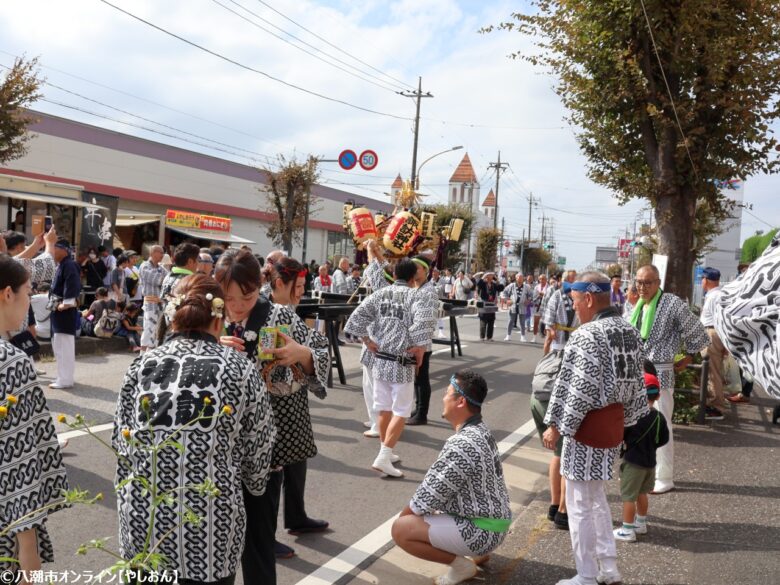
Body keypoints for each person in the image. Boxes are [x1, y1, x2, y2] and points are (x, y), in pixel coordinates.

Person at [113, 274, 275, 585]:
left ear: (172, 319)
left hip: (143, 518)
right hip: (208, 527)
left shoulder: (141, 366)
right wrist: (251, 486)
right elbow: (260, 446)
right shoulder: (239, 369)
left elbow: (122, 444)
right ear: (219, 321)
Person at [215, 251, 329, 581]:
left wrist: (303, 354)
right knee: (218, 539)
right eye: (228, 298)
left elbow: (320, 350)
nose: (236, 306)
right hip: (217, 448)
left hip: (267, 447)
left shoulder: (280, 315)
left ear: (261, 285)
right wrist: (210, 345)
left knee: (259, 540)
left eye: (246, 296)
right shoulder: (210, 313)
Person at [543, 272, 649, 585]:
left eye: (576, 302)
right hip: (613, 428)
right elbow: (637, 387)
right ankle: (609, 568)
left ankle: (587, 575)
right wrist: (627, 422)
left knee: (578, 505)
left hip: (586, 430)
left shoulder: (587, 335)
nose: (575, 308)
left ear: (588, 299)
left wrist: (557, 427)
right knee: (596, 500)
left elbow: (577, 391)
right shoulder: (628, 329)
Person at [392, 370, 511, 585]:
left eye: (447, 393)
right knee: (430, 514)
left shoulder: (462, 444)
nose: (443, 398)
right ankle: (477, 553)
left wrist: (403, 519)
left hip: (483, 530)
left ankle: (462, 565)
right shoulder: (481, 430)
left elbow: (426, 497)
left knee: (402, 530)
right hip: (496, 523)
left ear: (460, 401)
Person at [0, 254, 69, 582]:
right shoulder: (11, 364)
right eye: (28, 292)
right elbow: (20, 469)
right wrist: (32, 570)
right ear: (7, 294)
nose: (29, 302)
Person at [345, 258, 437, 477]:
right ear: (414, 276)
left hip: (380, 360)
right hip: (400, 360)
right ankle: (384, 456)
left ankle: (386, 450)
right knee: (401, 410)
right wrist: (418, 349)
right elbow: (424, 325)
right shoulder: (416, 296)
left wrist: (367, 340)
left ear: (394, 275)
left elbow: (356, 317)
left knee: (384, 407)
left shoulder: (379, 294)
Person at [628, 264, 709, 494]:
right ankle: (644, 471)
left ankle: (665, 476)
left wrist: (688, 356)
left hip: (660, 372)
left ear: (658, 282)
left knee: (660, 425)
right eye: (639, 282)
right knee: (637, 425)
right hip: (638, 373)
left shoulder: (672, 303)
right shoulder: (638, 305)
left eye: (647, 282)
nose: (642, 287)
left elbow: (696, 330)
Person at [613, 368, 669, 543]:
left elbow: (621, 435)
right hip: (650, 462)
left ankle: (627, 529)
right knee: (642, 493)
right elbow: (663, 439)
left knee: (628, 496)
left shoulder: (633, 416)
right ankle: (641, 523)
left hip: (633, 462)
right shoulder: (659, 417)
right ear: (658, 396)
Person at [358, 240, 395, 438]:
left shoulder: (382, 290)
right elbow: (381, 267)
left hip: (376, 343)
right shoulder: (397, 287)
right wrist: (375, 250)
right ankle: (378, 419)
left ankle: (376, 423)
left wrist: (371, 249)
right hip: (388, 343)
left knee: (373, 385)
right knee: (380, 386)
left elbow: (376, 269)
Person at [408, 255, 439, 426]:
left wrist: (419, 343)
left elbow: (426, 320)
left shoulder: (428, 291)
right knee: (417, 378)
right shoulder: (415, 288)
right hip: (415, 341)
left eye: (417, 268)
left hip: (421, 342)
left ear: (426, 271)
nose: (414, 271)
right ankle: (418, 407)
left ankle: (422, 413)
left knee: (421, 378)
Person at [49, 238, 81, 390]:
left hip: (65, 310)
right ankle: (63, 377)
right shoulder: (62, 265)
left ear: (63, 250)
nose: (53, 251)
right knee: (59, 345)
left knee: (64, 346)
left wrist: (67, 302)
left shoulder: (69, 264)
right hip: (58, 309)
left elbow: (72, 282)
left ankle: (65, 379)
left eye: (55, 248)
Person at [699, 267, 727, 419]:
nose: (701, 281)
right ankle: (716, 403)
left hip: (712, 333)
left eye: (702, 279)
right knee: (715, 370)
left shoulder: (714, 296)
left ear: (706, 280)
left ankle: (717, 407)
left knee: (712, 371)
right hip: (717, 333)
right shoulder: (719, 294)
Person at [159, 243, 200, 342]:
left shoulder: (168, 277)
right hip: (183, 334)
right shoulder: (190, 280)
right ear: (190, 261)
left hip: (167, 328)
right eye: (197, 260)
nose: (198, 263)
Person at [138, 245, 167, 350]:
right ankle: (143, 354)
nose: (162, 255)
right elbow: (157, 280)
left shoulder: (161, 268)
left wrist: (164, 279)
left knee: (158, 329)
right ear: (153, 253)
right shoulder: (144, 266)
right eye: (161, 252)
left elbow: (167, 280)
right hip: (150, 302)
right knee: (149, 327)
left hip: (160, 302)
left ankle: (153, 352)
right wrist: (164, 279)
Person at [543, 270, 578, 355]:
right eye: (573, 278)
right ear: (566, 280)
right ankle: (544, 362)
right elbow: (550, 311)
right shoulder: (557, 294)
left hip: (573, 330)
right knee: (550, 346)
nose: (576, 279)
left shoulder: (578, 294)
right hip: (557, 328)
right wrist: (551, 328)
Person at [502, 273, 532, 342]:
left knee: (522, 322)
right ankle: (508, 335)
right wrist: (507, 300)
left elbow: (531, 295)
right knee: (510, 321)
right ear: (516, 278)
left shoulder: (526, 287)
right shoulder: (511, 285)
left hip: (522, 306)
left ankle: (523, 336)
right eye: (519, 277)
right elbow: (504, 292)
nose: (520, 279)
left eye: (521, 278)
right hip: (513, 305)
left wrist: (528, 300)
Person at [475, 272, 503, 341]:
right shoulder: (483, 283)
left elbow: (501, 288)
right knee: (483, 320)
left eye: (492, 276)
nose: (491, 277)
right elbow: (478, 284)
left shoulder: (494, 284)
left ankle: (489, 337)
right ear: (486, 276)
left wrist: (497, 280)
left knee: (491, 320)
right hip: (484, 303)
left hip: (492, 303)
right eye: (489, 275)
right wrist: (483, 277)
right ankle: (482, 337)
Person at [533, 273, 548, 340]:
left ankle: (546, 337)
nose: (542, 280)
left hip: (546, 308)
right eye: (540, 279)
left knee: (545, 323)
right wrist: (539, 296)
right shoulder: (536, 287)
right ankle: (534, 337)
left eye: (543, 279)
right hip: (537, 306)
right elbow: (534, 297)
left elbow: (550, 297)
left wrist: (543, 295)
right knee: (536, 322)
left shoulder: (549, 287)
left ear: (546, 280)